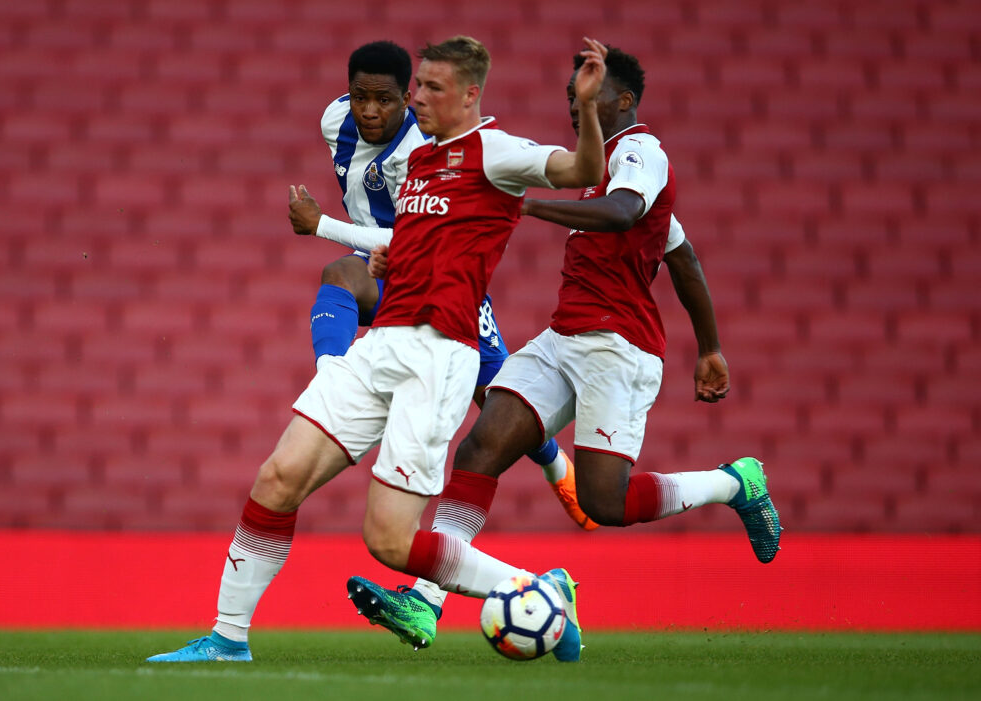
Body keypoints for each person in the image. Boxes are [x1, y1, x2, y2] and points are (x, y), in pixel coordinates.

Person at [147, 35, 609, 664]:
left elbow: (583, 174)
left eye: (431, 88)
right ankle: (227, 640)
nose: (416, 96)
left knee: (388, 541)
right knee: (277, 478)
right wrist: (395, 253)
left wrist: (587, 112)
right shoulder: (418, 163)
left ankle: (535, 589)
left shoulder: (496, 152)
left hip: (438, 353)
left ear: (471, 95)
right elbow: (409, 240)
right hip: (382, 342)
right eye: (417, 85)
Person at [349, 45, 783, 660]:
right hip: (563, 339)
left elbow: (625, 212)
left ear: (624, 101)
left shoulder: (640, 154)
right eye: (569, 101)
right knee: (481, 447)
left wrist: (522, 204)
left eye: (592, 98)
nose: (576, 110)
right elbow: (680, 254)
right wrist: (710, 346)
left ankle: (732, 482)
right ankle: (426, 599)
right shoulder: (601, 167)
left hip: (620, 347)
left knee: (606, 502)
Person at [292, 40, 595, 533]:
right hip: (382, 269)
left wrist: (320, 224)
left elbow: (405, 232)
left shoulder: (420, 147)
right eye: (360, 97)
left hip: (440, 279)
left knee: (496, 400)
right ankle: (331, 374)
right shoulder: (334, 121)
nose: (370, 111)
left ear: (406, 97)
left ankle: (557, 466)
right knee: (339, 276)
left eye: (385, 100)